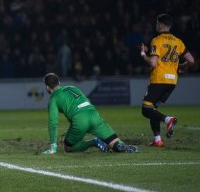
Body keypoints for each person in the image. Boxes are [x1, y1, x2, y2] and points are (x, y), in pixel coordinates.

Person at [41, 73, 138, 154]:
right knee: (113, 142)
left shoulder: (53, 99)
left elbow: (53, 123)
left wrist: (53, 146)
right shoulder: (72, 88)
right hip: (94, 114)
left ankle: (94, 142)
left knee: (68, 147)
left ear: (47, 87)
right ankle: (120, 145)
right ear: (59, 82)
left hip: (80, 120)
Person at [139, 13, 195, 147]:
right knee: (153, 108)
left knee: (146, 109)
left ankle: (168, 119)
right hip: (172, 82)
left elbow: (153, 63)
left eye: (157, 23)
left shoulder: (157, 40)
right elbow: (191, 60)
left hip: (159, 79)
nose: (156, 25)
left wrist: (143, 54)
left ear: (160, 24)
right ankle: (157, 139)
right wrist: (181, 67)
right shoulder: (178, 41)